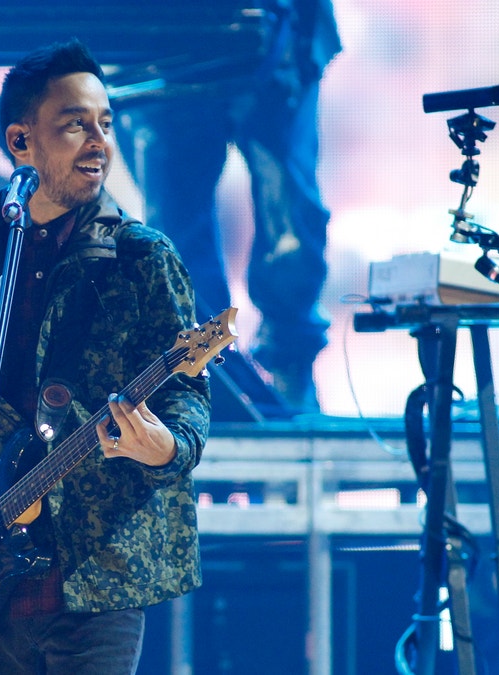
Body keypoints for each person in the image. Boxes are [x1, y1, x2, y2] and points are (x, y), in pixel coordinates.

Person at [0, 40, 211, 674]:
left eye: (105, 124)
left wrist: (167, 446)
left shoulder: (144, 260)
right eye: (74, 125)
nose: (98, 141)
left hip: (99, 582)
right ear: (20, 141)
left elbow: (187, 397)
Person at [115, 0, 341, 412]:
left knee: (289, 217)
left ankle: (287, 366)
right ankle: (207, 380)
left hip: (277, 28)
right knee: (178, 235)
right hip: (163, 41)